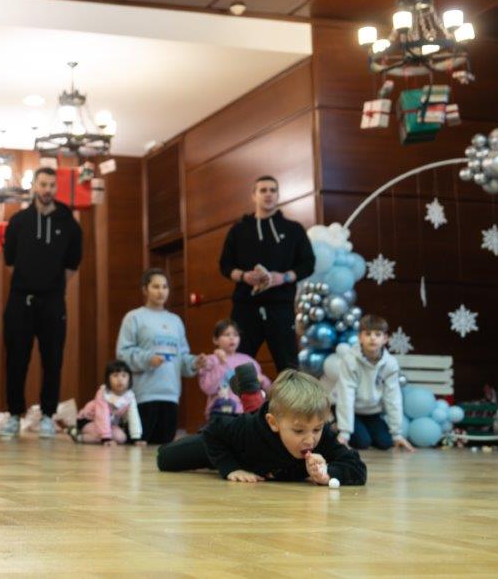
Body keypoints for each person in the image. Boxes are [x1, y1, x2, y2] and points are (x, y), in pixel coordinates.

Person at [157, 369, 367, 486]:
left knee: (258, 410)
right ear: (273, 423)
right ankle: (250, 392)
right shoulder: (248, 429)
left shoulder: (321, 434)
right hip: (235, 448)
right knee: (166, 459)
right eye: (299, 431)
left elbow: (357, 467)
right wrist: (230, 467)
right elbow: (214, 430)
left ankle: (250, 392)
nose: (310, 439)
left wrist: (328, 472)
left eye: (317, 429)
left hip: (264, 439)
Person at [0, 166, 82, 439]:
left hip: (53, 302)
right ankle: (14, 416)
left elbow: (72, 265)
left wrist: (50, 287)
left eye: (51, 185)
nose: (47, 190)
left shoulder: (69, 222)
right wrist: (30, 282)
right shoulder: (18, 221)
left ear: (56, 188)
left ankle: (48, 416)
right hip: (20, 300)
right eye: (43, 184)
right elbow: (10, 262)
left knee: (53, 360)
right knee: (16, 360)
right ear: (34, 186)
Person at [218, 175, 315, 372]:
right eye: (263, 190)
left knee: (289, 367)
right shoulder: (238, 230)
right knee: (239, 367)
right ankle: (239, 395)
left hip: (281, 307)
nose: (268, 194)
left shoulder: (294, 229)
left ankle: (289, 395)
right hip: (245, 308)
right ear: (254, 196)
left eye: (273, 190)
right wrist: (244, 276)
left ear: (278, 195)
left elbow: (308, 264)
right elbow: (225, 265)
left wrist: (283, 277)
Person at [116, 269, 206, 444]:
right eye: (156, 286)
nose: (161, 291)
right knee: (137, 449)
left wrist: (195, 362)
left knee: (163, 449)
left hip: (170, 395)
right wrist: (148, 359)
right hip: (143, 396)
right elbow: (123, 354)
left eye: (165, 287)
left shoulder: (175, 321)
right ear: (145, 289)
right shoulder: (133, 317)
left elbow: (182, 357)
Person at [334, 314, 415, 451]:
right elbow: (346, 396)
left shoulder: (390, 364)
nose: (372, 338)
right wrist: (344, 433)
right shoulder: (350, 360)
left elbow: (393, 397)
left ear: (385, 339)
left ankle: (363, 428)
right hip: (352, 410)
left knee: (385, 443)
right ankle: (336, 426)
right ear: (360, 337)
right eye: (368, 334)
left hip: (372, 411)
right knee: (362, 443)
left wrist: (397, 434)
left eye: (378, 334)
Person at [198, 320, 271, 420]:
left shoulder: (248, 360)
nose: (232, 338)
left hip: (245, 412)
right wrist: (222, 364)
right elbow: (208, 388)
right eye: (227, 334)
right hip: (220, 412)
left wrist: (262, 380)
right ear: (215, 339)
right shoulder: (209, 360)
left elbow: (266, 388)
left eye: (235, 335)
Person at [68, 360, 141, 445]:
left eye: (124, 376)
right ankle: (78, 436)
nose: (120, 379)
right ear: (108, 379)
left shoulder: (129, 396)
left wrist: (136, 438)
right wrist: (106, 438)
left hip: (108, 423)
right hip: (88, 420)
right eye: (115, 375)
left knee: (121, 438)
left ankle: (100, 435)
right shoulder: (103, 393)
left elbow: (134, 416)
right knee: (101, 435)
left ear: (129, 379)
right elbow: (101, 416)